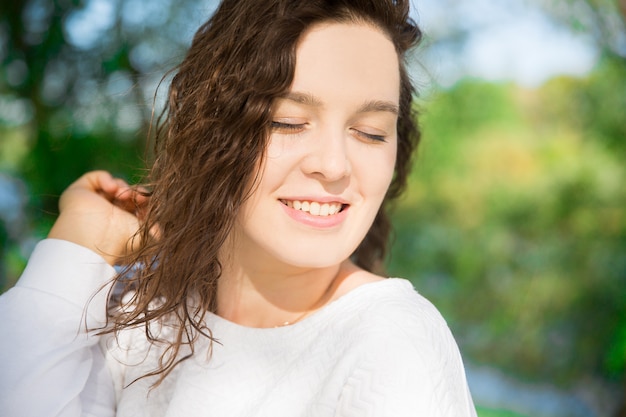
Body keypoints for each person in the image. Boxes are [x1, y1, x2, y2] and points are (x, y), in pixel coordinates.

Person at [0, 0, 477, 416]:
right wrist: (76, 246)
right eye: (289, 122)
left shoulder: (392, 346)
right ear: (213, 129)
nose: (334, 166)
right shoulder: (148, 313)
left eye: (371, 131)